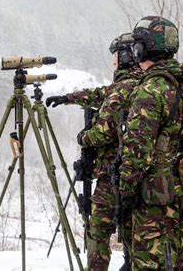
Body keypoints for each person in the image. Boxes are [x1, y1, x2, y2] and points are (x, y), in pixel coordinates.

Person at [46, 33, 143, 271]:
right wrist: (69, 98)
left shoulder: (122, 89)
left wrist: (84, 137)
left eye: (116, 57)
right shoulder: (143, 84)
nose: (114, 63)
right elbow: (101, 94)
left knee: (98, 230)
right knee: (132, 228)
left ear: (125, 56)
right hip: (139, 174)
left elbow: (102, 132)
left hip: (114, 174)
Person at [119, 16, 183, 270]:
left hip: (154, 191)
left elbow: (138, 150)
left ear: (142, 49)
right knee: (177, 255)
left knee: (149, 261)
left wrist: (126, 188)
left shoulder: (151, 90)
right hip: (182, 185)